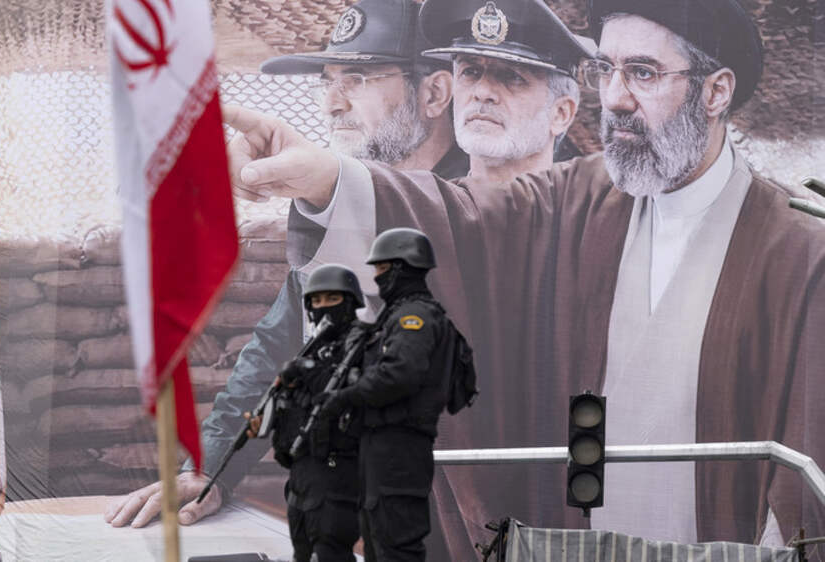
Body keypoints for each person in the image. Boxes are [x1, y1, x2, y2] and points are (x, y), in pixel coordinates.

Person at [219, 0, 825, 554]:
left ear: (715, 91)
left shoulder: (798, 249)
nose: (615, 98)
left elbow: (806, 471)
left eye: (642, 73)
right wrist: (324, 180)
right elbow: (459, 226)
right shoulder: (575, 197)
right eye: (606, 71)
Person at [105, 0, 467, 530]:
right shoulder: (343, 206)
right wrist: (211, 468)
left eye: (358, 79)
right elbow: (280, 350)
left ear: (433, 93)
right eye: (327, 82)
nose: (332, 104)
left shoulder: (488, 210)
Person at [315, 228, 471, 561]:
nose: (377, 277)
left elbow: (400, 374)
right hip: (382, 448)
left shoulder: (414, 316)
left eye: (382, 269)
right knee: (378, 542)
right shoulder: (396, 316)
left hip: (399, 449)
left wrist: (344, 398)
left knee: (395, 546)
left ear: (403, 268)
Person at [244, 263, 365, 562]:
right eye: (317, 300)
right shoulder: (311, 351)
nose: (323, 307)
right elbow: (286, 405)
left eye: (332, 299)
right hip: (302, 469)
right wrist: (265, 421)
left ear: (350, 302)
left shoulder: (365, 346)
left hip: (338, 469)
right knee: (302, 547)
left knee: (330, 550)